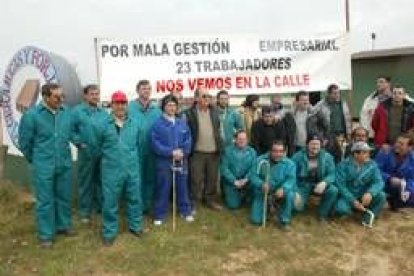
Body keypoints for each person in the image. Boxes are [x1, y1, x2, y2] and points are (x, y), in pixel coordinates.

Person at [18, 83, 75, 248]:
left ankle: (63, 226)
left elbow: (69, 134)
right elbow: (25, 143)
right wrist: (36, 160)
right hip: (43, 165)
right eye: (57, 97)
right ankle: (45, 235)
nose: (60, 100)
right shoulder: (31, 116)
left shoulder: (66, 113)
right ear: (45, 97)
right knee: (45, 201)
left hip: (63, 163)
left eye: (62, 96)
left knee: (64, 197)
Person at [98, 91, 143, 246]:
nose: (120, 106)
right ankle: (109, 232)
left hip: (131, 168)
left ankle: (135, 226)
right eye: (117, 103)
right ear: (111, 105)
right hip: (111, 170)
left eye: (123, 103)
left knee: (134, 198)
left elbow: (139, 145)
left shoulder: (134, 123)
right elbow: (96, 147)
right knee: (110, 201)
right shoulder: (103, 124)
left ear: (127, 105)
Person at [151, 95, 194, 225]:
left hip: (181, 160)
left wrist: (183, 152)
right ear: (163, 107)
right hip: (164, 162)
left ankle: (185, 211)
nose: (172, 108)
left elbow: (188, 139)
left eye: (174, 105)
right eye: (169, 105)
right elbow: (155, 143)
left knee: (182, 186)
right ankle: (159, 214)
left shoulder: (182, 123)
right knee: (163, 187)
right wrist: (170, 152)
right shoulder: (157, 124)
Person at [72, 84, 108, 224]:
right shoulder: (77, 112)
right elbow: (70, 130)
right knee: (85, 182)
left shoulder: (103, 113)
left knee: (100, 181)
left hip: (101, 152)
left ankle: (99, 207)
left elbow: (108, 131)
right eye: (92, 94)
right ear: (85, 96)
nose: (95, 96)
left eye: (97, 94)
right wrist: (79, 142)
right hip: (86, 152)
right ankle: (85, 212)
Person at [185, 88, 223, 211]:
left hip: (213, 151)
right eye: (204, 96)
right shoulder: (188, 113)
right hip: (197, 152)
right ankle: (193, 202)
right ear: (196, 98)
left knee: (212, 179)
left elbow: (219, 130)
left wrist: (221, 145)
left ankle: (210, 200)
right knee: (195, 179)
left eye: (209, 96)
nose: (207, 98)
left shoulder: (215, 111)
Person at [128, 80, 162, 213]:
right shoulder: (130, 108)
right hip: (136, 150)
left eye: (148, 88)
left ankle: (148, 205)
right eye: (143, 88)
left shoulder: (156, 110)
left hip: (152, 149)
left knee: (150, 177)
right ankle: (137, 206)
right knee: (137, 179)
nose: (146, 91)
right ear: (137, 91)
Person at [334, 142, 386, 226]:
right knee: (341, 209)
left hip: (363, 195)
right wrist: (352, 201)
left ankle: (367, 216)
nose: (368, 155)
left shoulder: (372, 165)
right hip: (348, 196)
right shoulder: (343, 165)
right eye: (365, 152)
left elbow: (379, 182)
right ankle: (354, 210)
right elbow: (341, 186)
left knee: (382, 196)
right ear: (355, 154)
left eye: (368, 152)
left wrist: (370, 193)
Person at [249, 141, 297, 230]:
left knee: (290, 194)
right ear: (270, 151)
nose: (278, 154)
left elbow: (291, 179)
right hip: (263, 192)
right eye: (275, 151)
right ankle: (269, 207)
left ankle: (284, 220)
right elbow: (252, 176)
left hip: (280, 192)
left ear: (284, 152)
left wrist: (284, 189)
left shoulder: (290, 164)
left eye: (280, 151)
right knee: (255, 220)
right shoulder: (260, 160)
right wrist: (261, 184)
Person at [291, 135, 337, 222]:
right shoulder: (297, 156)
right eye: (312, 144)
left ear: (321, 145)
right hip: (303, 184)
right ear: (307, 144)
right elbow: (291, 175)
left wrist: (325, 182)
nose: (315, 146)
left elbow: (332, 173)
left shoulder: (327, 157)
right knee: (297, 208)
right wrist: (295, 190)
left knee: (333, 190)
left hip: (320, 183)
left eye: (317, 144)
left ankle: (322, 214)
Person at [375, 134, 414, 210]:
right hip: (383, 185)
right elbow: (375, 170)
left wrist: (409, 190)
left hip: (402, 188)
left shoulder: (412, 158)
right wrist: (389, 178)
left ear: (410, 147)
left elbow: (412, 178)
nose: (397, 145)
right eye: (397, 142)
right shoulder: (385, 152)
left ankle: (395, 202)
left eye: (401, 144)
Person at [220, 130, 257, 209]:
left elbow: (253, 169)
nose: (242, 141)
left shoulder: (252, 152)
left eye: (244, 139)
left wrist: (246, 179)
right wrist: (234, 181)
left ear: (247, 140)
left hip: (246, 181)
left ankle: (245, 194)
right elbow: (224, 168)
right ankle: (228, 192)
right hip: (231, 182)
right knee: (233, 205)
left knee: (251, 199)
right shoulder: (227, 151)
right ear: (235, 140)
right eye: (240, 139)